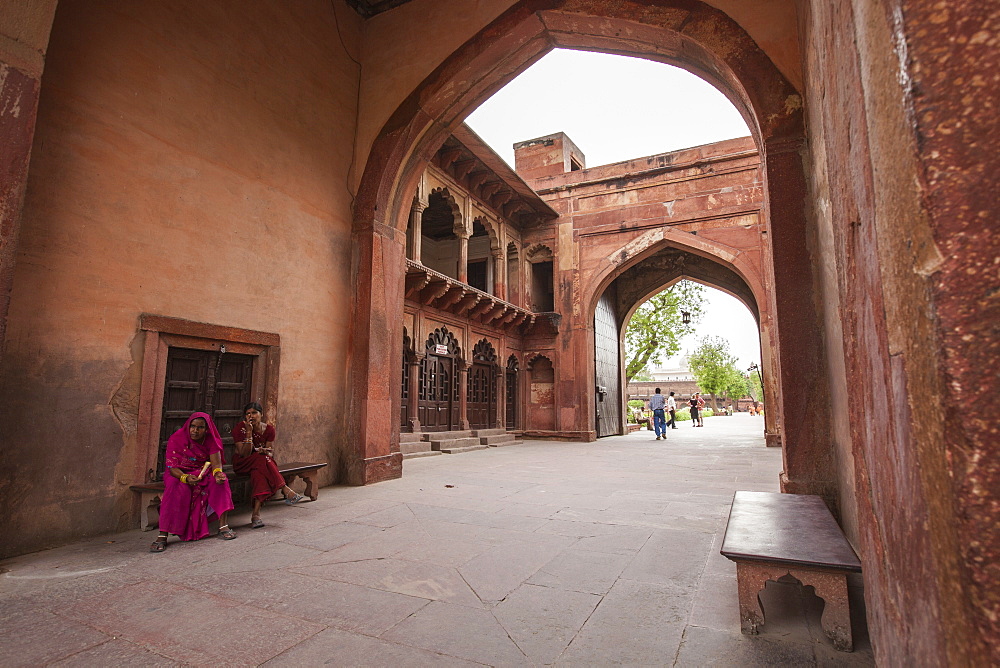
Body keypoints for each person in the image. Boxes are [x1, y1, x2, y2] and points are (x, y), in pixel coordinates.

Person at [150, 412, 236, 552]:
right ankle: (163, 534)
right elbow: (172, 468)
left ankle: (223, 526)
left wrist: (218, 474)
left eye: (200, 427)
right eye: (193, 426)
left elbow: (216, 464)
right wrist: (185, 477)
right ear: (188, 426)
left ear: (206, 429)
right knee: (175, 488)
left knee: (221, 483)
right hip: (178, 473)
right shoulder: (177, 438)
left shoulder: (211, 440)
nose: (195, 430)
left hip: (202, 471)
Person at [232, 401, 304, 528]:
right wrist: (249, 433)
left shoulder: (269, 430)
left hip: (261, 464)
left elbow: (269, 453)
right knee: (261, 460)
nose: (251, 416)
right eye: (248, 414)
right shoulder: (240, 428)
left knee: (259, 475)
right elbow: (244, 454)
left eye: (254, 413)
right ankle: (285, 489)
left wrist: (265, 451)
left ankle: (256, 515)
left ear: (261, 414)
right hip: (242, 463)